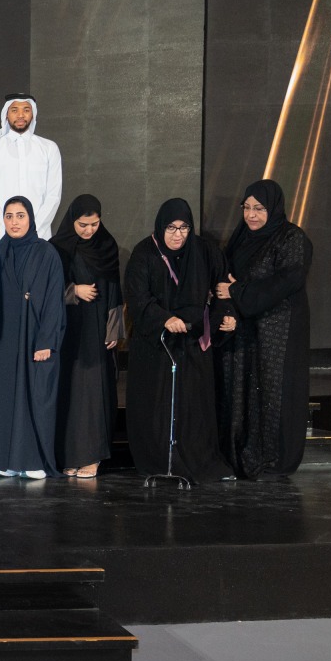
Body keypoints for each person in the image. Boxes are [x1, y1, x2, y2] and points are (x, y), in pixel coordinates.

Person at [124, 198, 232, 484]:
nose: (177, 235)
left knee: (193, 406)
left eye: (184, 228)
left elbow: (223, 288)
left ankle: (199, 461)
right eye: (171, 228)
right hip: (157, 344)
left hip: (194, 343)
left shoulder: (204, 251)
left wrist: (223, 318)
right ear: (161, 227)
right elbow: (137, 297)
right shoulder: (145, 253)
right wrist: (164, 319)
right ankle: (161, 460)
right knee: (158, 405)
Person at [215, 179, 313, 480]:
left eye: (259, 208)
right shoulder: (241, 238)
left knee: (272, 391)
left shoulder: (292, 238)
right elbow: (225, 281)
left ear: (273, 208)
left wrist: (238, 292)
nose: (251, 215)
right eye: (246, 208)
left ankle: (272, 461)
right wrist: (231, 307)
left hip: (278, 333)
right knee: (240, 392)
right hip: (245, 331)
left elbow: (287, 281)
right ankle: (241, 457)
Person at [0, 197, 66, 479]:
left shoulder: (46, 253)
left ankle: (32, 460)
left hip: (34, 338)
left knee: (33, 395)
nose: (14, 222)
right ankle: (5, 459)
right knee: (3, 397)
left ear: (30, 218)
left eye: (20, 215)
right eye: (9, 216)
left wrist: (46, 341)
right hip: (3, 340)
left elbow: (54, 300)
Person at [50, 195, 124, 479]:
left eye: (94, 224)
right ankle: (69, 455)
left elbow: (115, 289)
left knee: (93, 391)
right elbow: (49, 288)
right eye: (83, 224)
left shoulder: (106, 245)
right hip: (69, 329)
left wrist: (114, 329)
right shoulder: (58, 247)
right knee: (69, 391)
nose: (89, 230)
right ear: (72, 220)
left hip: (97, 330)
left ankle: (92, 457)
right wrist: (74, 291)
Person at [0, 94, 62, 251]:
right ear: (6, 114)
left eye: (26, 110)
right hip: (0, 237)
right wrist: (8, 227)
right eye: (14, 110)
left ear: (33, 114)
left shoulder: (49, 148)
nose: (21, 115)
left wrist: (33, 228)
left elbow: (53, 196)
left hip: (39, 236)